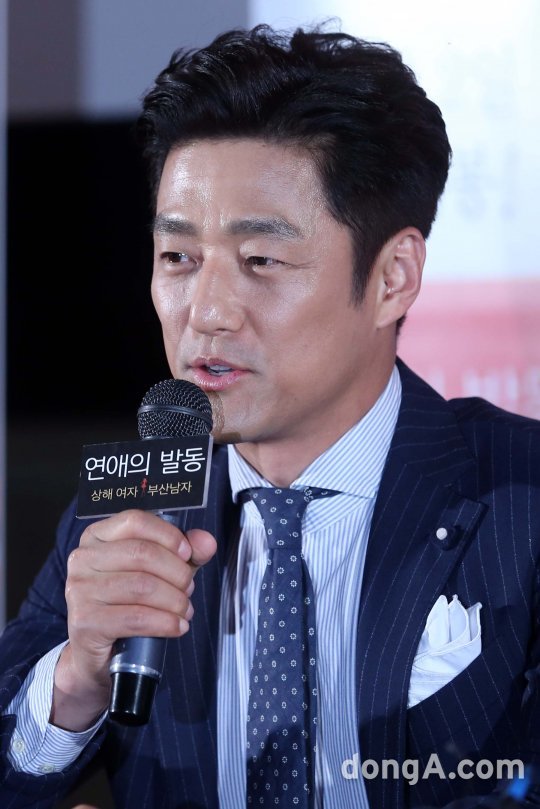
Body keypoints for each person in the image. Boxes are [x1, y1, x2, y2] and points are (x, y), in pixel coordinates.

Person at [1, 21, 539, 809]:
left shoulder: (523, 497)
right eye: (178, 258)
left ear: (392, 278)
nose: (206, 311)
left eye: (260, 260)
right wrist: (77, 677)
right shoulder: (128, 507)